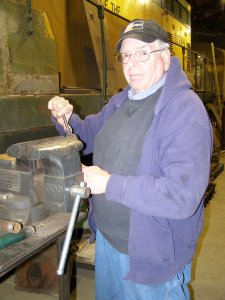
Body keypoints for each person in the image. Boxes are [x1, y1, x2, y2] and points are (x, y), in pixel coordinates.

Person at [48, 19, 212, 300]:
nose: (131, 63)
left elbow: (182, 196)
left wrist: (109, 184)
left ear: (164, 56)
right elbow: (87, 134)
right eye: (125, 56)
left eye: (142, 53)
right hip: (110, 241)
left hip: (150, 253)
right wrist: (66, 119)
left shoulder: (184, 111)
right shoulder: (124, 99)